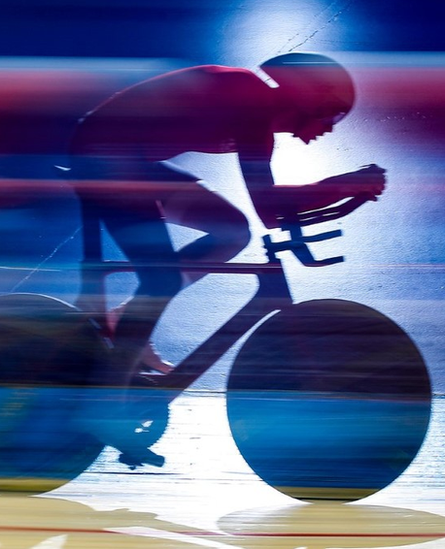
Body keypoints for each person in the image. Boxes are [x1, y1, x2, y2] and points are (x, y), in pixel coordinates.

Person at [67, 52, 385, 462]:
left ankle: (129, 318)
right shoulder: (250, 98)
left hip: (123, 156)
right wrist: (342, 184)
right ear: (306, 95)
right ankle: (104, 409)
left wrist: (342, 188)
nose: (327, 129)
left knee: (232, 230)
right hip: (104, 156)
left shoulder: (258, 116)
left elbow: (267, 212)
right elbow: (270, 205)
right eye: (329, 115)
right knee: (160, 279)